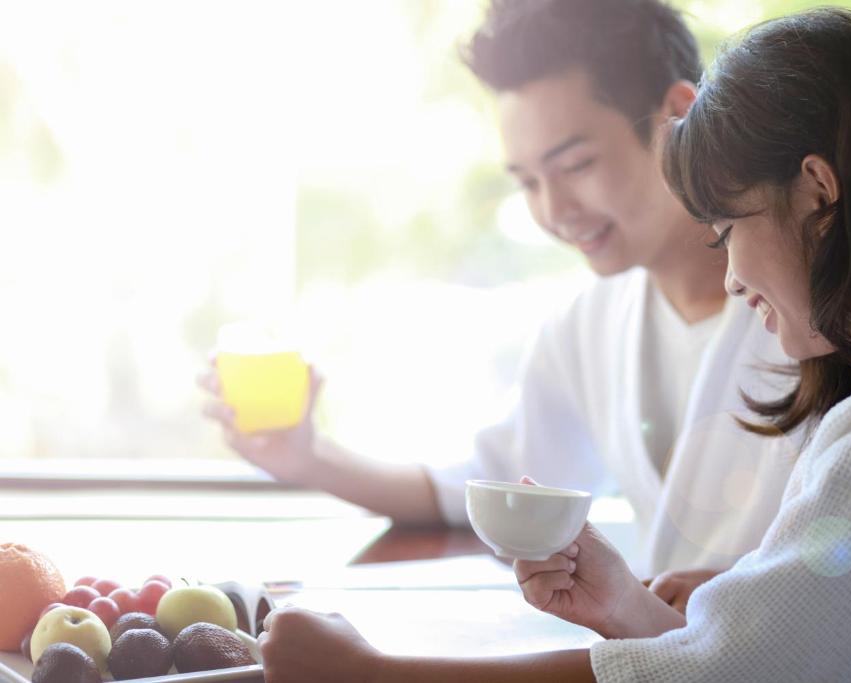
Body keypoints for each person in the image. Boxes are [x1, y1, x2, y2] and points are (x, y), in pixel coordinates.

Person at [255, 7, 851, 681]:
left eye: (729, 230)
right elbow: (760, 655)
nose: (731, 277)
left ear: (818, 190)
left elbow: (745, 667)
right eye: (527, 181)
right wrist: (628, 604)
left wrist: (374, 674)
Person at [201, 0, 798, 589]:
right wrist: (308, 457)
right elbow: (489, 485)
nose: (555, 211)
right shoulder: (589, 324)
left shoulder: (809, 312)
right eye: (530, 182)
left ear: (678, 115)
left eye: (577, 164)